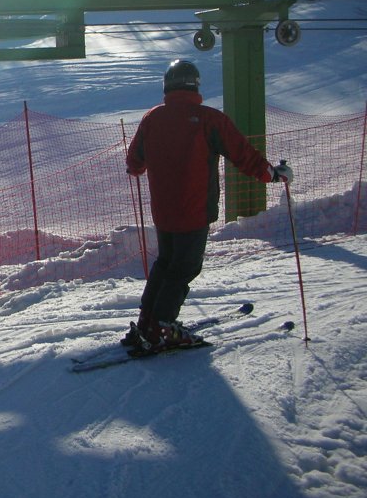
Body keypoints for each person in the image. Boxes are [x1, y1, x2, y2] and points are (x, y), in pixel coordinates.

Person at [124, 59, 293, 352]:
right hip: (194, 210)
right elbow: (241, 154)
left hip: (163, 212)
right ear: (195, 85)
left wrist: (143, 165)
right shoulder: (209, 119)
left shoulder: (152, 118)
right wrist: (271, 174)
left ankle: (147, 321)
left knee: (166, 263)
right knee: (184, 267)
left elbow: (134, 162)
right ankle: (162, 326)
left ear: (167, 86)